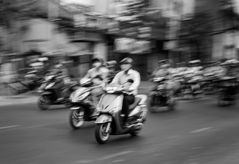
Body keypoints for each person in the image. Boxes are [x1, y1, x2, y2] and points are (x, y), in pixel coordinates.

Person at [111, 57, 141, 126]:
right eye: (122, 64)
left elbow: (136, 83)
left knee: (124, 99)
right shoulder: (119, 74)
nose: (123, 66)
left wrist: (130, 88)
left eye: (126, 64)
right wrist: (109, 86)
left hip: (130, 95)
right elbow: (113, 82)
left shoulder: (135, 74)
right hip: (119, 93)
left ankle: (125, 120)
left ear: (130, 65)